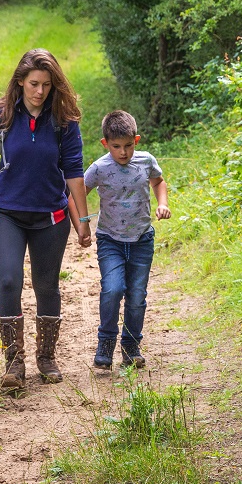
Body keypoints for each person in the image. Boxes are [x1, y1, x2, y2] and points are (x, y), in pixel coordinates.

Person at [0, 48, 92, 390]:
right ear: (20, 81)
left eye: (47, 85)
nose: (40, 91)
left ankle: (46, 357)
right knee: (8, 281)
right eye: (34, 84)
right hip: (6, 215)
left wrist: (83, 220)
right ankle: (14, 362)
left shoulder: (64, 121)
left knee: (47, 285)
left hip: (51, 217)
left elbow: (74, 170)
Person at [83, 110, 170, 369]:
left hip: (142, 239)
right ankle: (106, 342)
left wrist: (162, 203)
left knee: (136, 296)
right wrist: (82, 223)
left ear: (136, 140)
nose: (123, 152)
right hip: (110, 239)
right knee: (112, 289)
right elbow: (78, 193)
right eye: (116, 146)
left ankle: (131, 346)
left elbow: (158, 182)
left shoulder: (146, 161)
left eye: (129, 145)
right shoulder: (99, 168)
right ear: (105, 143)